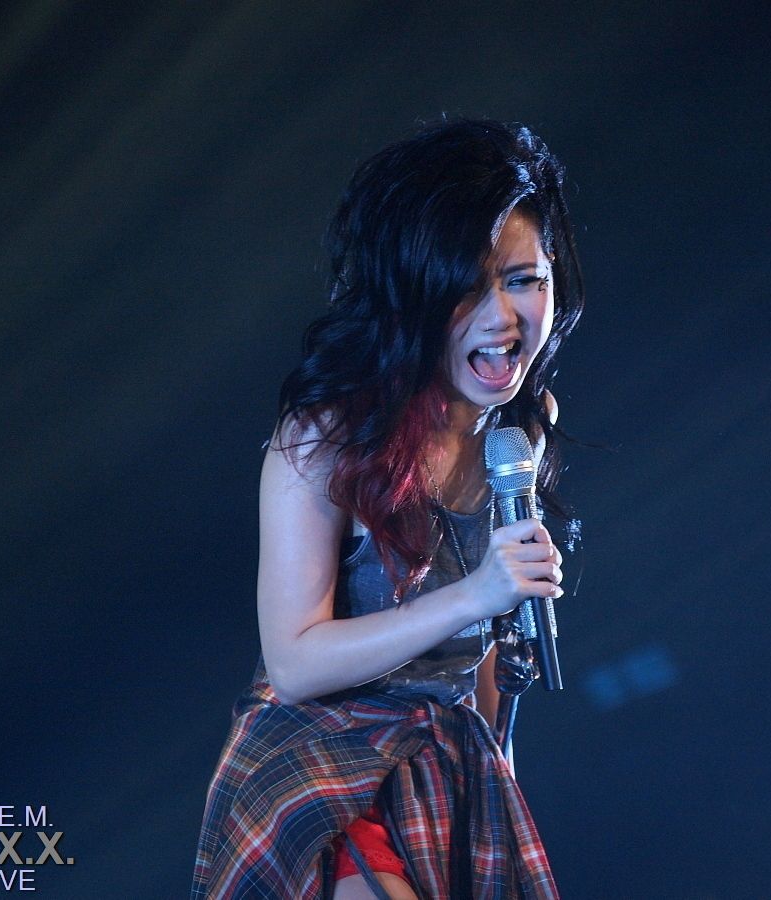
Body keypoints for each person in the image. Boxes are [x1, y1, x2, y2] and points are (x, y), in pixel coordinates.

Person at [191, 119, 584, 900]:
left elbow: (484, 644)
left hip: (444, 760)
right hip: (323, 755)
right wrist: (476, 594)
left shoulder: (523, 424)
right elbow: (295, 663)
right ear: (413, 292)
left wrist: (498, 762)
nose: (502, 319)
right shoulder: (327, 436)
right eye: (465, 287)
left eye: (523, 280)